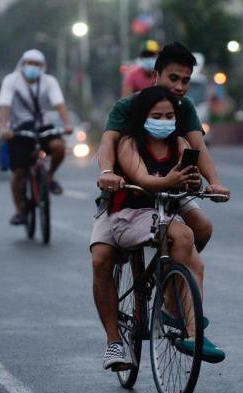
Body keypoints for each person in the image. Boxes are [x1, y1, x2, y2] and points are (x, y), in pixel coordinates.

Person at [91, 42, 230, 370]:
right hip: (127, 196)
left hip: (169, 195)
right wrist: (107, 173)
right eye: (173, 78)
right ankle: (114, 343)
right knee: (101, 259)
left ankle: (169, 289)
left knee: (200, 229)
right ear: (154, 76)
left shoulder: (185, 110)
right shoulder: (127, 108)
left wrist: (212, 181)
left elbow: (197, 148)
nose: (179, 87)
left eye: (185, 80)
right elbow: (108, 143)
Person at [0, 49, 73, 225]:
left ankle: (49, 177)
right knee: (19, 172)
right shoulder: (11, 80)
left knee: (59, 147)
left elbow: (59, 104)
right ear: (23, 64)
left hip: (42, 125)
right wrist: (4, 127)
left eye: (37, 64)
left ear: (42, 66)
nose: (33, 67)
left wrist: (67, 124)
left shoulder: (49, 82)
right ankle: (19, 211)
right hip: (19, 129)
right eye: (29, 63)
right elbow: (4, 105)